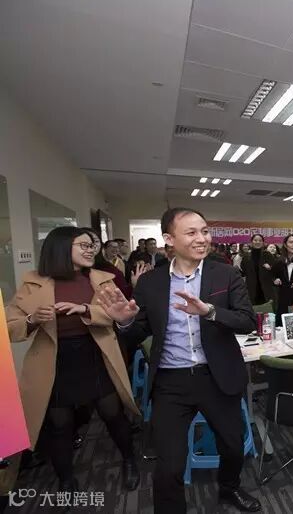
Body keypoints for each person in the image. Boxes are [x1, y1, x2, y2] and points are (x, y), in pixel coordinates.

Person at [98, 208, 261, 513]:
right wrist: (124, 322)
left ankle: (229, 488)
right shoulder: (151, 282)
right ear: (169, 239)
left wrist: (210, 311)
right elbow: (139, 332)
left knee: (233, 445)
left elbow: (247, 321)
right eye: (192, 232)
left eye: (205, 231)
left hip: (217, 377)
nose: (202, 238)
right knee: (169, 465)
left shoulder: (225, 274)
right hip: (171, 381)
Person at [5, 227, 140, 495]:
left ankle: (129, 460)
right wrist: (32, 320)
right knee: (60, 424)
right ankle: (66, 481)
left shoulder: (102, 278)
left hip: (95, 353)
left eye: (92, 246)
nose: (91, 250)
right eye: (84, 245)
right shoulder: (33, 282)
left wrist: (86, 310)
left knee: (113, 414)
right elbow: (9, 327)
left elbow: (117, 313)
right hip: (55, 360)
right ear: (61, 247)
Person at [240, 234, 275, 306]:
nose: (257, 242)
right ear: (251, 242)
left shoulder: (267, 254)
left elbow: (275, 270)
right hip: (252, 287)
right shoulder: (246, 256)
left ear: (263, 243)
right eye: (255, 240)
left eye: (260, 240)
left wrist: (270, 268)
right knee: (253, 308)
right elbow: (244, 269)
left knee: (267, 309)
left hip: (266, 287)